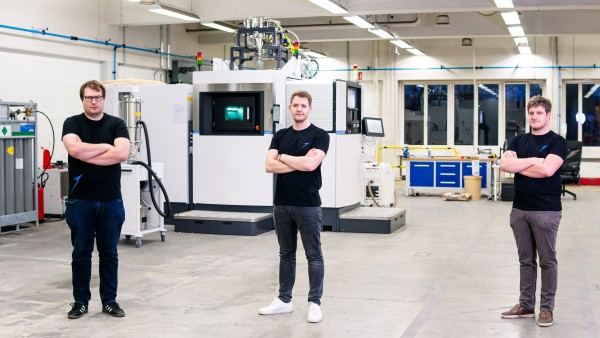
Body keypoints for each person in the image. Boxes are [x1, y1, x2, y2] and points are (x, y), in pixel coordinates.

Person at [260, 90, 330, 323]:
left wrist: (283, 158)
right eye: (295, 105)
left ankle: (314, 303)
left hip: (308, 204)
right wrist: (298, 161)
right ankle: (284, 300)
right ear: (289, 108)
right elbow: (269, 166)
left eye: (303, 106)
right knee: (286, 254)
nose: (299, 109)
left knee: (314, 255)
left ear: (310, 109)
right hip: (282, 204)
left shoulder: (320, 136)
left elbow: (311, 165)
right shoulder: (280, 135)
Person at [62, 80, 130, 319]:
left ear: (103, 99)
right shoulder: (72, 123)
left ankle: (109, 301)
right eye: (89, 97)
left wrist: (86, 152)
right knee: (81, 254)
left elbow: (122, 153)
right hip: (81, 202)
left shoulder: (117, 123)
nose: (94, 101)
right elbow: (74, 150)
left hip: (111, 201)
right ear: (82, 99)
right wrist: (104, 147)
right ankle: (80, 302)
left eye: (98, 97)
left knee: (109, 253)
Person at [499, 95, 567, 327]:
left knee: (547, 261)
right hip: (519, 210)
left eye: (539, 113)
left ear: (548, 115)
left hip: (546, 212)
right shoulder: (518, 140)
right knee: (525, 260)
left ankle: (546, 309)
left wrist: (521, 166)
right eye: (531, 113)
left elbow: (548, 170)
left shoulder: (558, 142)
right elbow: (505, 165)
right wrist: (534, 161)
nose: (534, 117)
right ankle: (526, 305)